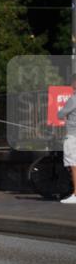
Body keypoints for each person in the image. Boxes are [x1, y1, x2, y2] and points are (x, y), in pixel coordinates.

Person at [59, 74, 76, 204]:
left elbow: (60, 114)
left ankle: (75, 195)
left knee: (74, 165)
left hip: (73, 135)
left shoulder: (73, 99)